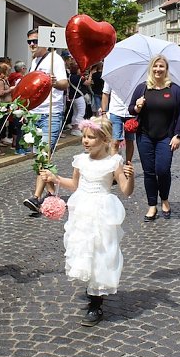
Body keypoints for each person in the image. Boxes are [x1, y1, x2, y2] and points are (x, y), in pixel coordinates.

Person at [39, 117, 134, 326]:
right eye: (84, 136)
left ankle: (95, 303)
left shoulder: (114, 162)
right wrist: (54, 178)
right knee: (83, 249)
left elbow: (126, 191)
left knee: (101, 252)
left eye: (91, 137)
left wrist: (130, 176)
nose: (86, 141)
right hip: (81, 209)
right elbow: (74, 184)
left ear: (104, 139)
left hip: (102, 211)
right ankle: (91, 291)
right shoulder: (80, 160)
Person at [128, 55, 180, 221]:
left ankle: (165, 200)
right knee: (149, 172)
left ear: (166, 69)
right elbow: (131, 109)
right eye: (155, 66)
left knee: (163, 169)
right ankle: (152, 205)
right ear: (150, 68)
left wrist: (177, 134)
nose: (158, 69)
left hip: (166, 137)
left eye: (161, 66)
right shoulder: (142, 88)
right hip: (145, 136)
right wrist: (138, 106)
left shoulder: (174, 89)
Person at [22, 29, 69, 213]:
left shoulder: (55, 59)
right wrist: (26, 108)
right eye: (29, 42)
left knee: (43, 155)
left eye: (34, 41)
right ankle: (52, 194)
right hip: (35, 113)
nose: (32, 45)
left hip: (51, 113)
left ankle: (36, 197)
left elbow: (64, 84)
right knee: (40, 158)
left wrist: (53, 82)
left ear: (44, 42)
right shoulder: (34, 62)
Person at [101, 86, 136, 164]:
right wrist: (103, 113)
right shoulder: (111, 75)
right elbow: (105, 93)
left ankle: (128, 164)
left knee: (130, 140)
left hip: (131, 112)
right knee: (115, 141)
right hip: (115, 111)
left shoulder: (135, 75)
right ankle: (114, 167)